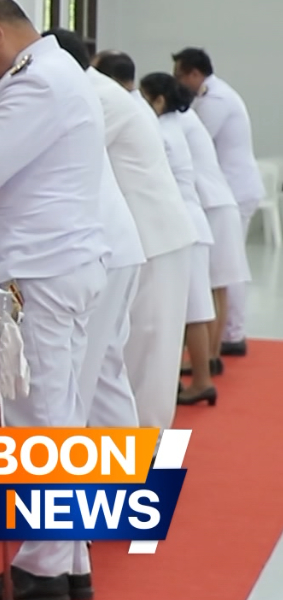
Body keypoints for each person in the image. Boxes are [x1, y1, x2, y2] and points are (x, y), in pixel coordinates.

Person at [0, 0, 109, 600]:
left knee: (35, 424)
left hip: (35, 273)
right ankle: (67, 566)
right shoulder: (52, 71)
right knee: (58, 420)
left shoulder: (33, 80)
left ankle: (41, 572)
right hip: (54, 266)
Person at [52, 31, 196, 434]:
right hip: (143, 234)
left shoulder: (96, 97)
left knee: (151, 351)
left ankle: (149, 446)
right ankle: (131, 449)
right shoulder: (101, 92)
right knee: (123, 355)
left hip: (154, 234)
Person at [143, 72, 247, 399]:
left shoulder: (163, 132)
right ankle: (199, 372)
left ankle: (201, 378)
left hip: (187, 224)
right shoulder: (177, 125)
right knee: (197, 307)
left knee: (191, 310)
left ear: (159, 100)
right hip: (194, 221)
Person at [173, 47, 264, 357]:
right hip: (225, 189)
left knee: (228, 268)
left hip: (232, 190)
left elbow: (195, 140)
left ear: (194, 74)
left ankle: (232, 334)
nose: (178, 83)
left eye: (179, 75)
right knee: (226, 269)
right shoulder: (212, 95)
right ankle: (226, 333)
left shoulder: (215, 100)